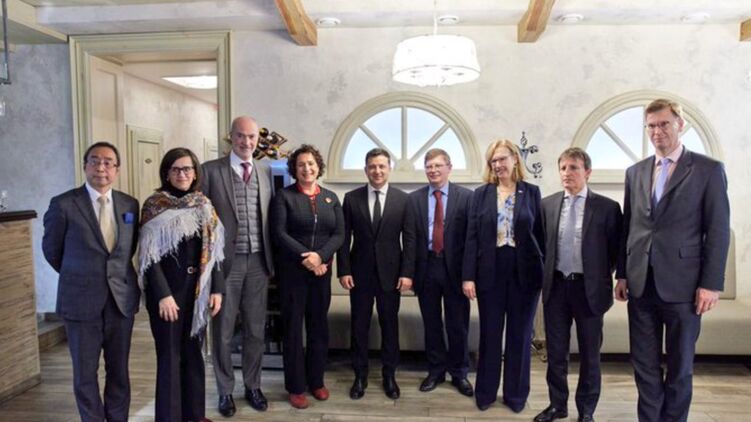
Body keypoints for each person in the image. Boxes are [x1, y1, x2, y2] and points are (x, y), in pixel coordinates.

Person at [615, 99, 730, 422]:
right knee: (644, 365)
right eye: (651, 125)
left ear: (680, 124)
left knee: (680, 366)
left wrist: (711, 284)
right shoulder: (635, 172)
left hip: (685, 286)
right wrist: (622, 274)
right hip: (641, 284)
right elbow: (630, 226)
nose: (657, 131)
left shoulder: (708, 170)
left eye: (664, 124)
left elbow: (718, 231)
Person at [42, 142, 140, 422]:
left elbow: (128, 249)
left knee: (119, 371)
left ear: (117, 170)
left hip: (120, 302)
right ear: (85, 166)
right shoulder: (63, 204)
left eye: (108, 162)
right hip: (80, 301)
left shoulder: (129, 204)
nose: (101, 167)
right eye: (95, 161)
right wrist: (81, 276)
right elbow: (52, 251)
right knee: (85, 375)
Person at [534, 148, 623, 422]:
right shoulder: (547, 205)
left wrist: (598, 276)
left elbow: (616, 251)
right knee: (556, 353)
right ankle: (557, 406)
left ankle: (586, 411)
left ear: (588, 172)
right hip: (556, 289)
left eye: (573, 167)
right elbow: (540, 246)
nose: (567, 173)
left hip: (589, 291)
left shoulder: (608, 208)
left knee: (590, 355)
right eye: (563, 168)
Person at [138, 148, 225, 422]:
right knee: (170, 356)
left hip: (197, 292)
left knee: (193, 354)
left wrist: (217, 289)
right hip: (168, 294)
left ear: (195, 172)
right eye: (175, 169)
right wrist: (163, 295)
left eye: (187, 169)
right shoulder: (154, 205)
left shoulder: (203, 204)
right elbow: (148, 258)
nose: (182, 174)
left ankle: (194, 415)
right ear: (166, 173)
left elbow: (215, 252)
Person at [461, 139, 545, 413]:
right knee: (490, 335)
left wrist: (543, 273)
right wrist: (468, 276)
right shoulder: (481, 194)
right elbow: (471, 238)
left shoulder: (531, 192)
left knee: (520, 337)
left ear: (515, 159)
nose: (497, 165)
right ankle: (485, 393)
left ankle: (516, 396)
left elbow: (540, 236)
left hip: (525, 274)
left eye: (502, 159)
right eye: (493, 161)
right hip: (490, 271)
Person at [200, 116, 275, 416]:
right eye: (241, 136)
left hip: (258, 261)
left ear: (258, 139)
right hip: (224, 264)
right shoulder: (210, 171)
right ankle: (225, 391)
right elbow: (201, 220)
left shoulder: (265, 171)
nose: (246, 142)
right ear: (231, 137)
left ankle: (253, 386)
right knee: (223, 331)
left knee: (256, 330)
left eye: (252, 136)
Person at [270, 144, 344, 409]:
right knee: (292, 330)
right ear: (294, 169)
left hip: (321, 273)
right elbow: (279, 234)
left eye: (311, 163)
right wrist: (308, 259)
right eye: (301, 164)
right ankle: (296, 387)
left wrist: (320, 257)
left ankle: (317, 381)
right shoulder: (284, 197)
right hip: (293, 275)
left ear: (318, 166)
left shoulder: (331, 198)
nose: (306, 168)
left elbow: (339, 234)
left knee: (318, 328)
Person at [336, 148, 409, 400]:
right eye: (372, 166)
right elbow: (343, 238)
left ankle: (389, 375)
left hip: (392, 275)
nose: (377, 171)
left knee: (390, 326)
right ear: (366, 169)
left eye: (381, 166)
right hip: (359, 274)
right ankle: (360, 375)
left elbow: (410, 239)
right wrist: (343, 270)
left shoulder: (403, 200)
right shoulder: (351, 198)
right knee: (359, 326)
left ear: (389, 168)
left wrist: (407, 273)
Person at [401, 148, 474, 397]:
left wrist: (470, 275)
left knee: (458, 325)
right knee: (431, 324)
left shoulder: (467, 197)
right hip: (427, 267)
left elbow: (471, 241)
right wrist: (408, 273)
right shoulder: (414, 199)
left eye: (437, 166)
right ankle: (436, 371)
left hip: (456, 271)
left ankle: (460, 373)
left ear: (449, 168)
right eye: (429, 166)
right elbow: (410, 240)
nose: (433, 170)